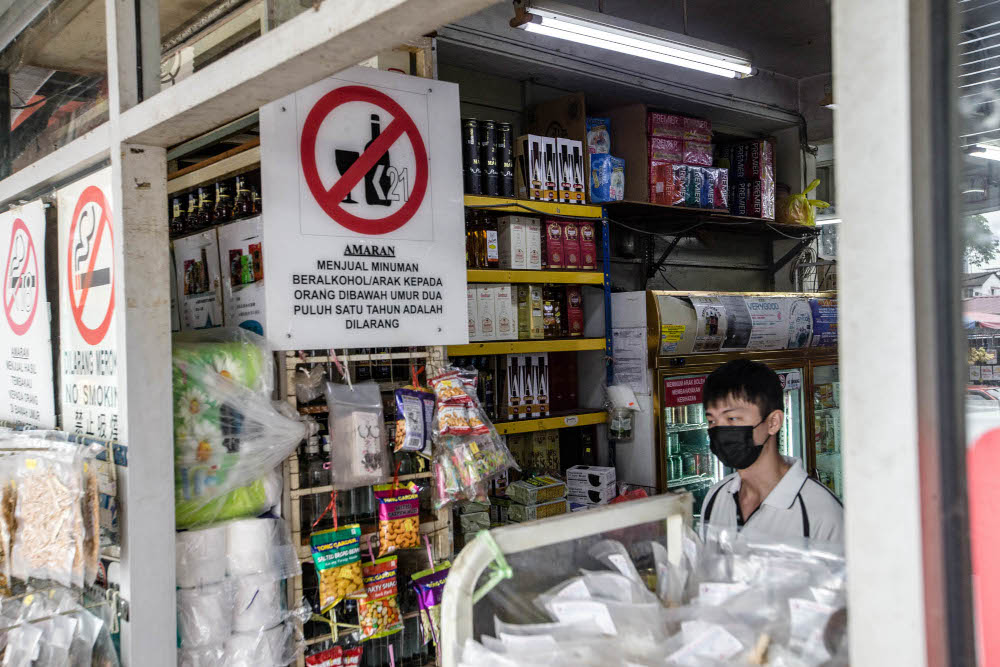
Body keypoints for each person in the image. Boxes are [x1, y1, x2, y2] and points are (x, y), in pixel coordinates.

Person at [699, 359, 843, 542]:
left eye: (732, 418)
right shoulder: (716, 497)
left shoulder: (823, 514)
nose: (720, 431)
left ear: (773, 422)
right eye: (712, 421)